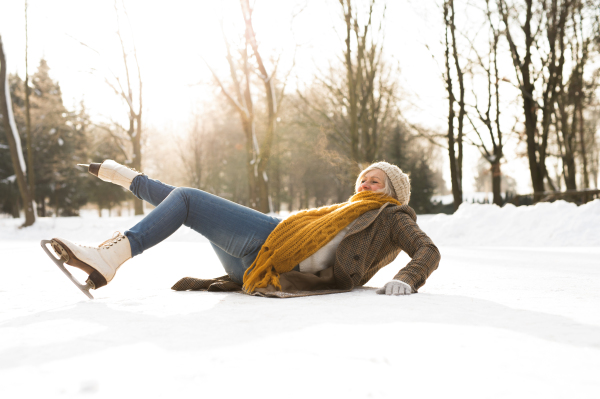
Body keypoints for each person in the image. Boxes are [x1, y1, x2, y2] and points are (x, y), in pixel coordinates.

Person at [46, 160, 440, 298]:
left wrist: (408, 277)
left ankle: (109, 256)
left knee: (188, 200)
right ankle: (124, 177)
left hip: (277, 253)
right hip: (260, 261)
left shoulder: (391, 216)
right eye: (363, 179)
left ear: (393, 192)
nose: (364, 186)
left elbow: (427, 250)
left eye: (375, 182)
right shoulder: (342, 211)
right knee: (183, 202)